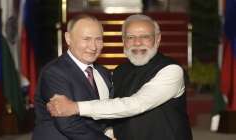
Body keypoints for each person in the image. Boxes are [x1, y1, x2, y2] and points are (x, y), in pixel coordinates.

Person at [47, 14, 193, 140]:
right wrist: (109, 133)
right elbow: (114, 111)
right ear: (123, 41)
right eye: (130, 37)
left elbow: (136, 104)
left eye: (145, 37)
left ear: (158, 39)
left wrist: (76, 107)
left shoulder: (172, 70)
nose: (137, 43)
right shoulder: (118, 71)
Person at [32, 15, 115, 140]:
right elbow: (68, 124)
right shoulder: (54, 73)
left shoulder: (103, 72)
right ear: (68, 38)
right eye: (86, 39)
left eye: (98, 39)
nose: (93, 47)